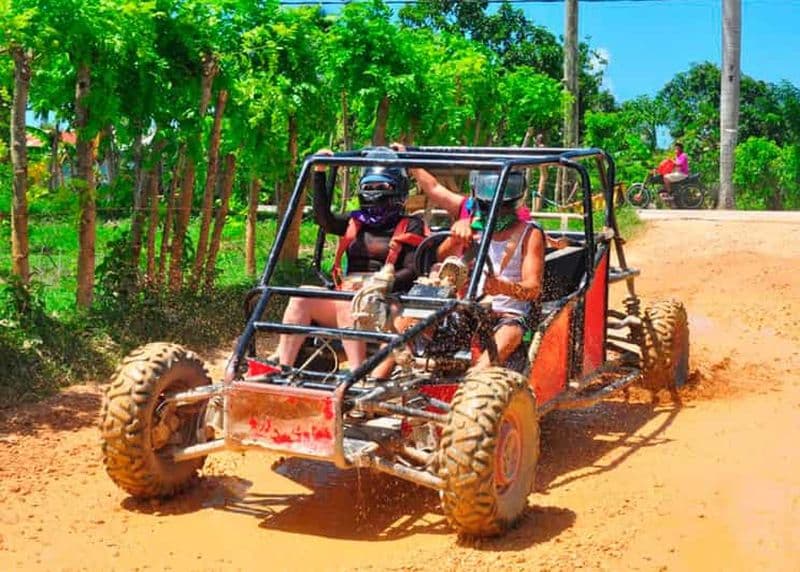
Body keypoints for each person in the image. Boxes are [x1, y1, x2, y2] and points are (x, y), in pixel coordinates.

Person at [275, 148, 426, 369]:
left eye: (382, 187)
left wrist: (380, 283)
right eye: (369, 187)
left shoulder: (411, 225)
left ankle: (357, 374)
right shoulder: (356, 221)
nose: (374, 192)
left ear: (397, 191)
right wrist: (319, 172)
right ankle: (283, 368)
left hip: (388, 302)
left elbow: (413, 269)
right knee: (301, 297)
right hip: (348, 296)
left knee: (350, 304)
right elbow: (323, 219)